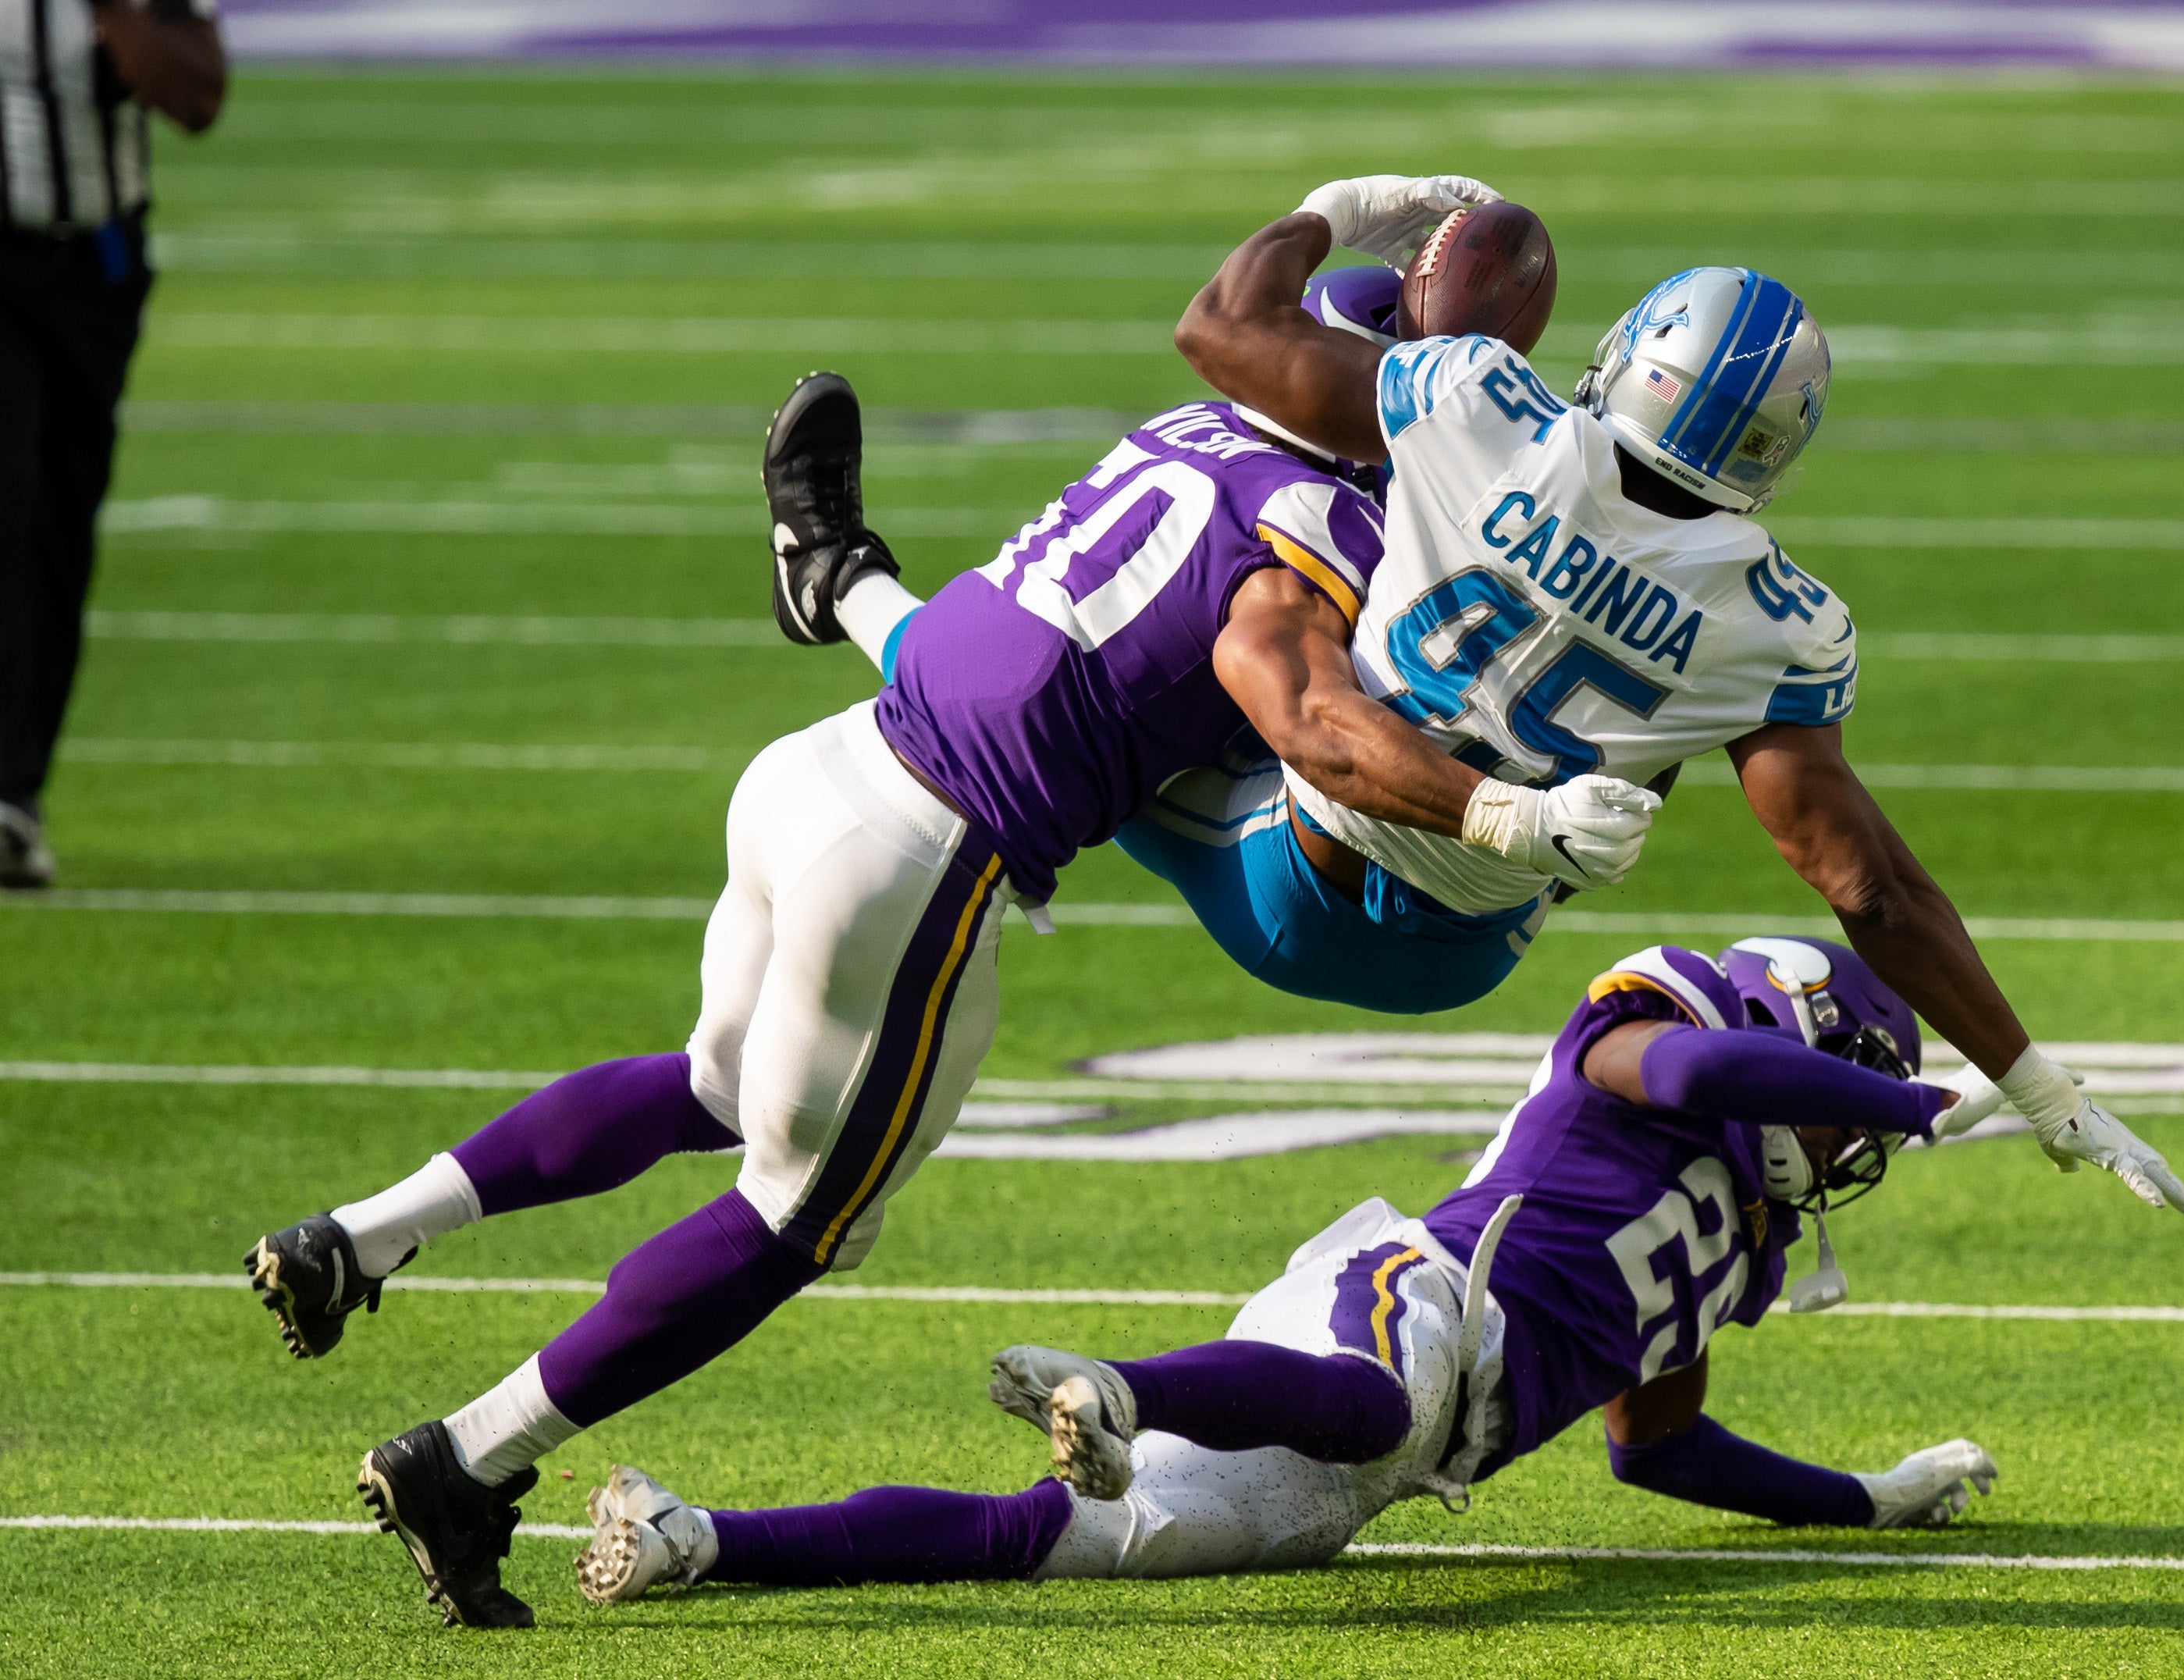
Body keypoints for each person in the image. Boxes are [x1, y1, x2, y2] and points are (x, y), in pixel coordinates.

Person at [243, 333, 1661, 1627]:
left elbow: (1047, 631)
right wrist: (1496, 813)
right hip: (924, 858)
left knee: (717, 1085)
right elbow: (1311, 724)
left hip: (821, 762)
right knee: (796, 1223)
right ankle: (468, 1459)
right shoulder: (1326, 533)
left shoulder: (1191, 435)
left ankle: (356, 1235)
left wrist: (1350, 203)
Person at [816, 176, 2184, 1234]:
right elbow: (1863, 886)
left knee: (1062, 708)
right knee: (1265, 650)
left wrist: (1342, 208)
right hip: (1458, 950)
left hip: (1301, 864)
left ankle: (849, 598)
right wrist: (2039, 1085)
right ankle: (871, 624)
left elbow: (1222, 333)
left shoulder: (1478, 402)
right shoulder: (1780, 623)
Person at [568, 938, 2008, 1602]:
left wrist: (1864, 1496)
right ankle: (1114, 1386)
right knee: (1378, 1399)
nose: (1844, 1134)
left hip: (1393, 1453)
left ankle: (700, 1540)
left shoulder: (1736, 1252)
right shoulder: (1629, 1068)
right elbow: (1701, 1058)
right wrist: (1917, 1100)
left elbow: (1661, 1448)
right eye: (1840, 1096)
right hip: (1406, 1294)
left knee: (1075, 1544)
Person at [1, 0, 226, 885]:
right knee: (6, 504)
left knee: (57, 525)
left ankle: (17, 794)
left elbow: (199, 93)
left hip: (93, 267)